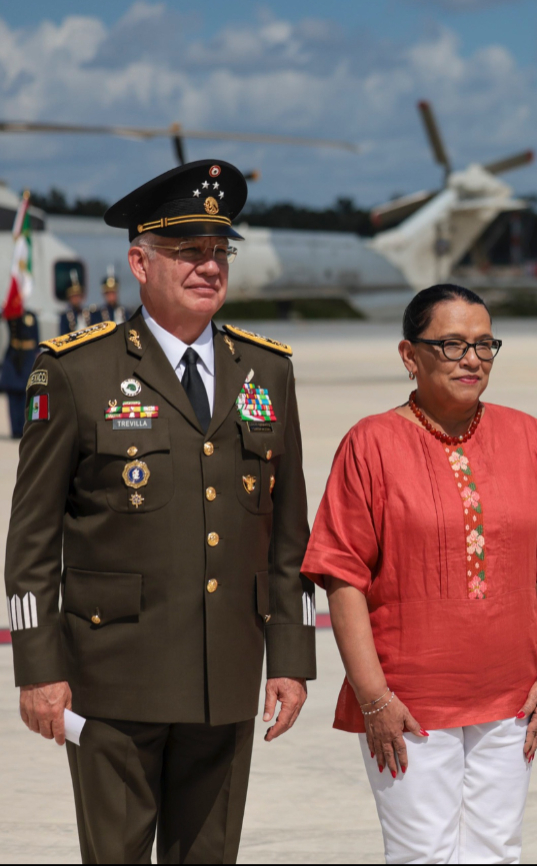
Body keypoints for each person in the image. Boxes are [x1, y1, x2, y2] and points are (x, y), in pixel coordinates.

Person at [4, 159, 315, 864]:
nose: (208, 266)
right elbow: (30, 542)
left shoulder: (267, 371)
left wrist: (290, 659)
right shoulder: (77, 371)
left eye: (217, 252)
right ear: (139, 263)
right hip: (114, 680)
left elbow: (288, 536)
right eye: (187, 252)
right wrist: (36, 667)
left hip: (227, 679)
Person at [301, 284, 537, 864]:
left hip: (513, 694)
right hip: (409, 702)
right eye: (452, 345)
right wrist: (374, 697)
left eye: (484, 345)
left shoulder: (526, 434)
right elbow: (342, 575)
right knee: (423, 855)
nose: (472, 359)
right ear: (410, 355)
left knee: (497, 850)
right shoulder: (371, 443)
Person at [0, 309, 39, 437]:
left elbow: (36, 339)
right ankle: (15, 429)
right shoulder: (11, 315)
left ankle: (25, 428)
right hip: (13, 359)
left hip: (27, 359)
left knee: (26, 396)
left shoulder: (31, 315)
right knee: (13, 398)